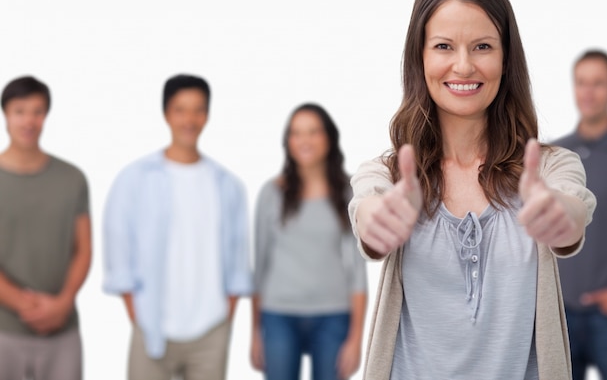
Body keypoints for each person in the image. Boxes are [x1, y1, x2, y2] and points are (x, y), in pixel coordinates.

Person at [348, 0, 597, 380]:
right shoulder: (389, 174)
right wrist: (376, 223)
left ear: (505, 57)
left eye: (482, 46)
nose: (463, 66)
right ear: (420, 57)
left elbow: (572, 207)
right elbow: (368, 208)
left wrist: (561, 217)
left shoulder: (549, 166)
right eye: (444, 46)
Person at [102, 74, 253, 380]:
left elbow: (238, 258)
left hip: (210, 328)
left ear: (207, 115)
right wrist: (137, 312)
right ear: (166, 114)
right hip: (152, 324)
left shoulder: (227, 185)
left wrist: (225, 316)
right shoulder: (135, 179)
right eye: (180, 109)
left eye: (198, 109)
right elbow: (118, 246)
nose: (189, 119)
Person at [250, 103, 368, 380]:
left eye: (313, 132)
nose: (304, 140)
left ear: (329, 137)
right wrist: (255, 333)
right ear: (287, 141)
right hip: (278, 315)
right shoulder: (271, 193)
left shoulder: (349, 193)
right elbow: (260, 265)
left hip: (333, 315)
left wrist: (356, 338)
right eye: (296, 133)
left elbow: (358, 271)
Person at [0, 76, 92, 380]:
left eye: (37, 111)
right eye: (20, 111)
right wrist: (25, 304)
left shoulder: (72, 178)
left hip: (62, 332)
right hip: (4, 332)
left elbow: (83, 249)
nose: (29, 120)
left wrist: (63, 303)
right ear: (5, 114)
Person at [552, 50, 607, 380]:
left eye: (598, 83)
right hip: (559, 315)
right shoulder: (554, 156)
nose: (588, 92)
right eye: (581, 82)